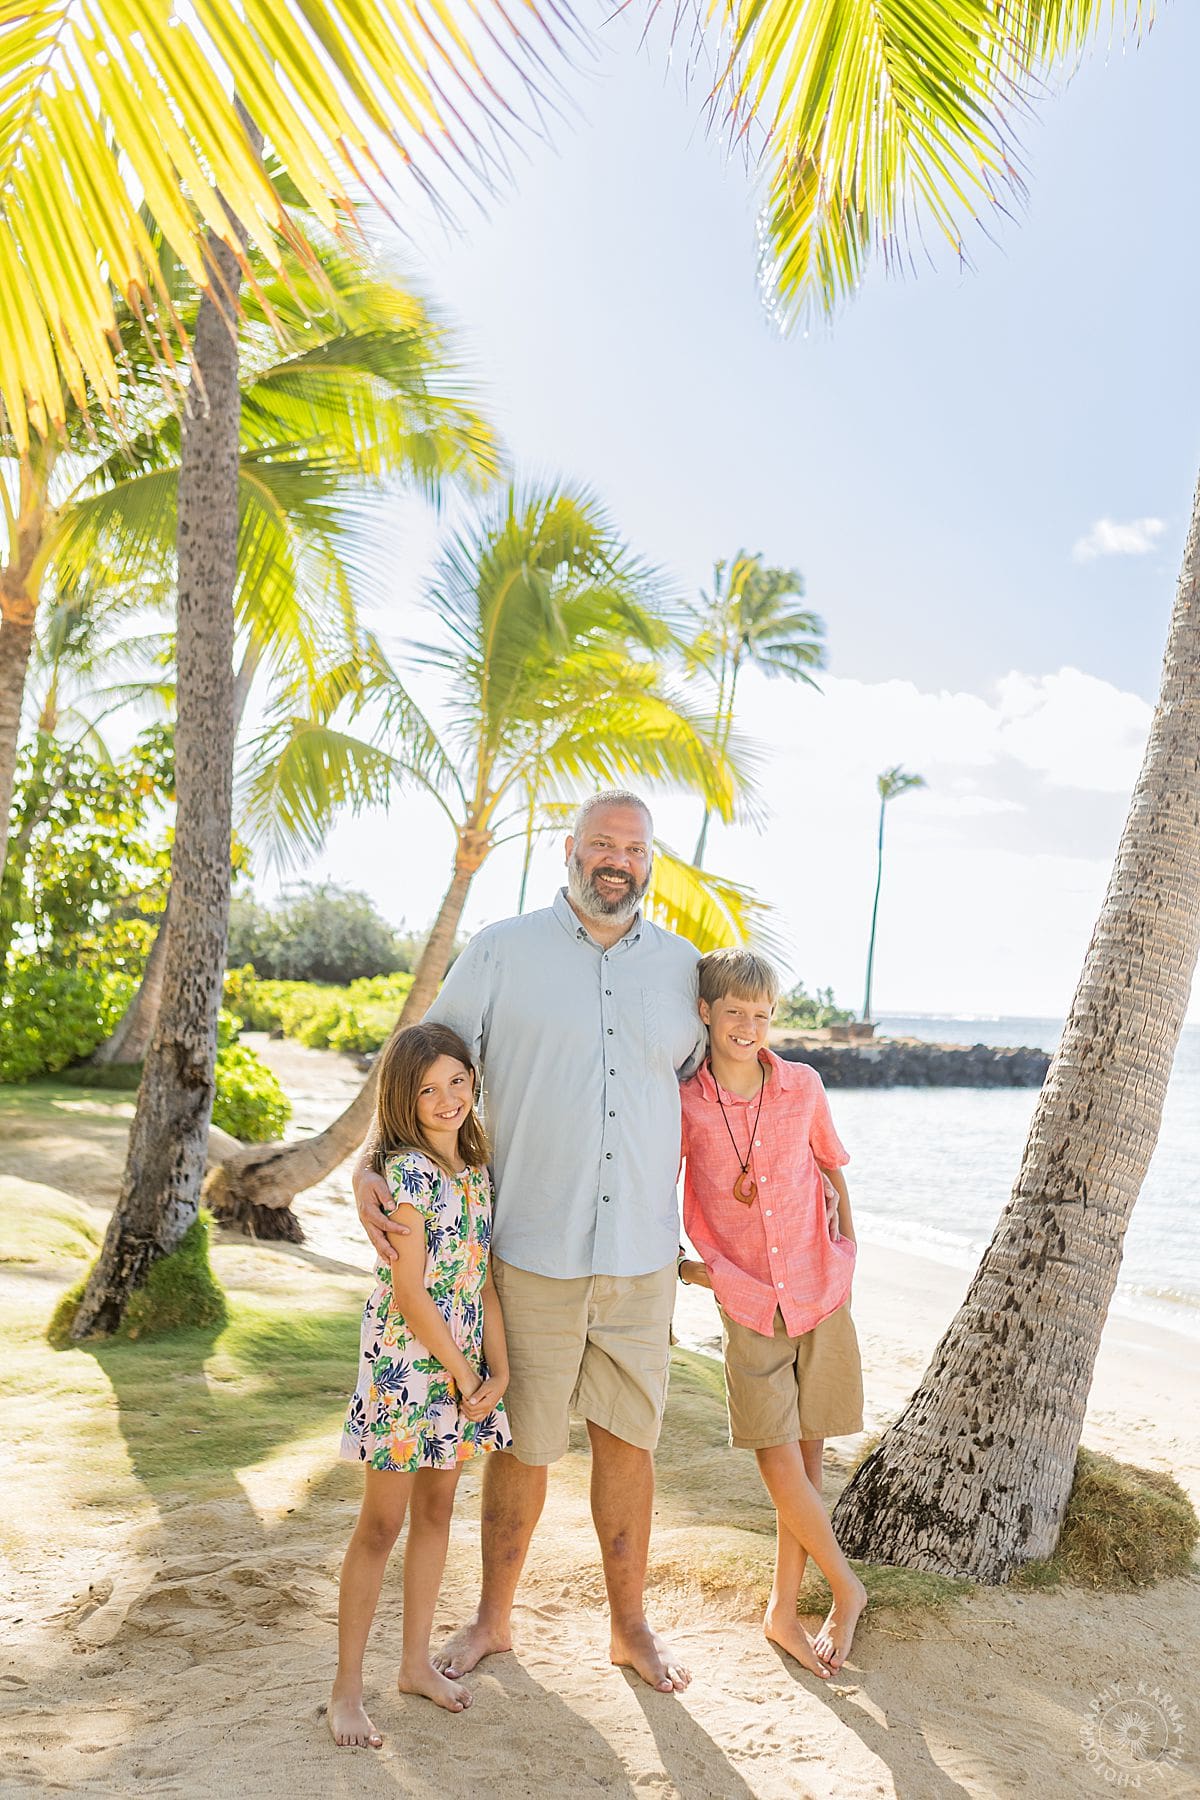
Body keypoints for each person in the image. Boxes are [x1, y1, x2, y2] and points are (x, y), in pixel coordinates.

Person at [353, 790, 705, 1694]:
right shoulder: (501, 951)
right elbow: (420, 1058)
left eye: (632, 847)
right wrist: (370, 1164)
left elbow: (720, 1090)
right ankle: (492, 1621)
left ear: (650, 860)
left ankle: (631, 1628)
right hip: (530, 1250)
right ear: (570, 850)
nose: (615, 860)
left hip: (639, 1257)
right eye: (600, 844)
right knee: (522, 1448)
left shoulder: (683, 970)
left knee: (631, 1447)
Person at [677, 947, 869, 1675]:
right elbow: (656, 1185)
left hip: (821, 1292)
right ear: (706, 1012)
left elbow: (831, 1167)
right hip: (750, 1301)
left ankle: (783, 1611)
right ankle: (846, 1589)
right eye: (734, 1013)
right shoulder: (688, 1101)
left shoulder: (803, 1086)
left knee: (809, 1464)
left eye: (761, 1015)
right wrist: (694, 1268)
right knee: (777, 1457)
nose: (748, 1027)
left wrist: (849, 1246)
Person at [329, 1022, 511, 1746]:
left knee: (437, 1515)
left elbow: (484, 1284)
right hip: (408, 1371)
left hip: (463, 1370)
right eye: (428, 1089)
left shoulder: (475, 1171)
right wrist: (468, 1373)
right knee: (381, 1524)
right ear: (404, 1098)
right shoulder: (404, 1175)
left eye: (457, 1082)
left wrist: (500, 1371)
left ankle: (413, 1665)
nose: (447, 1099)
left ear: (473, 1082)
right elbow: (409, 1293)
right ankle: (347, 1690)